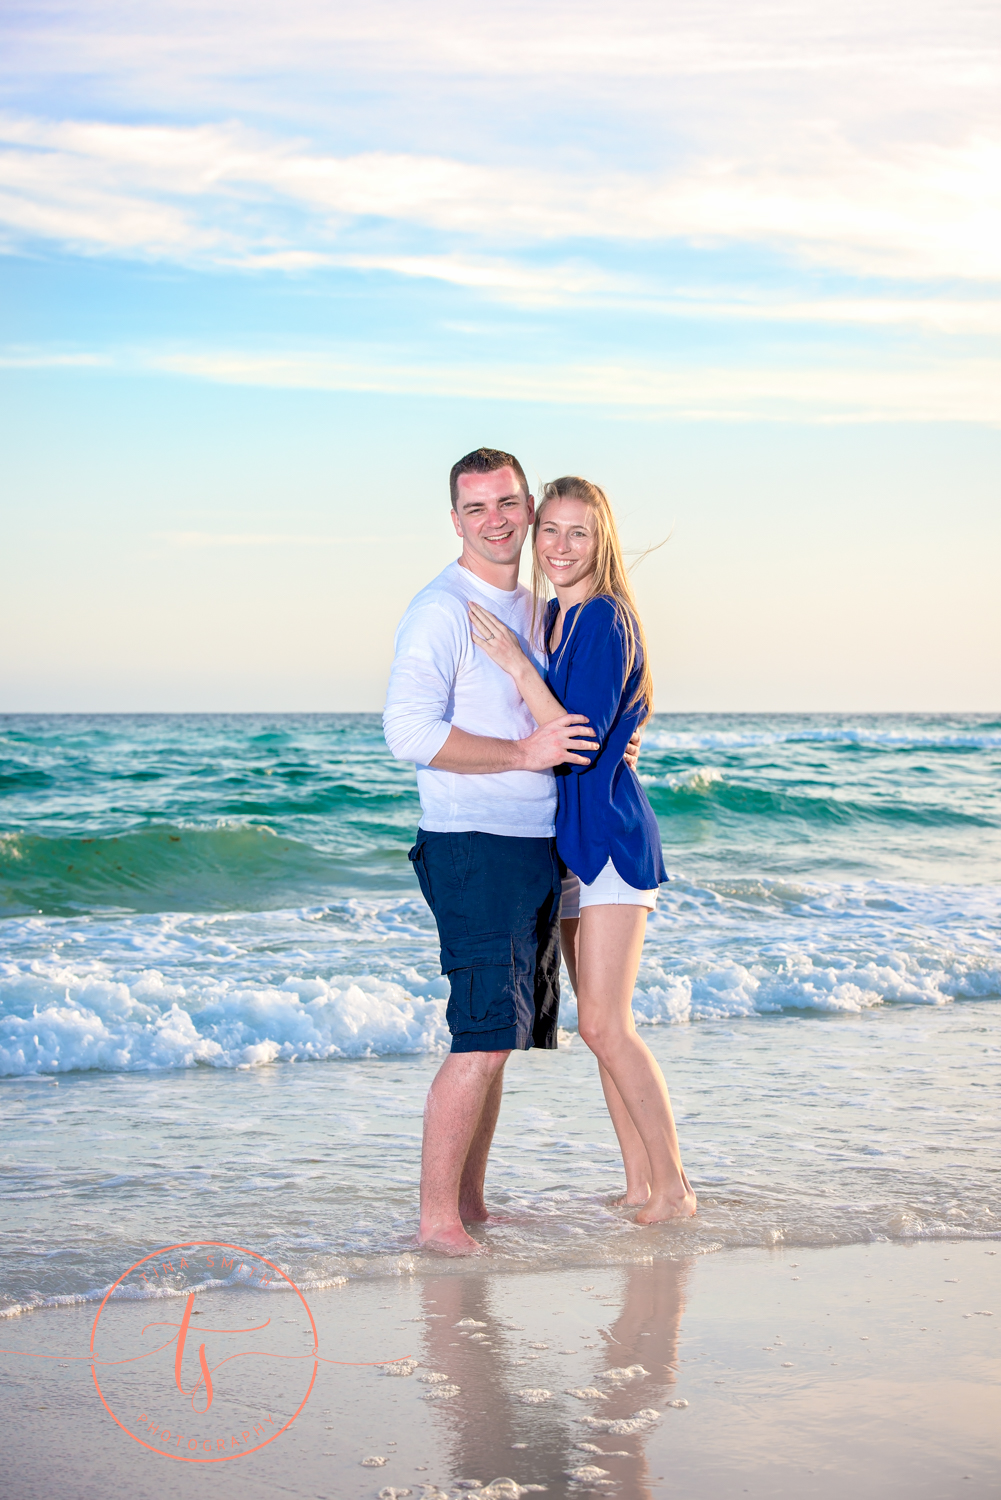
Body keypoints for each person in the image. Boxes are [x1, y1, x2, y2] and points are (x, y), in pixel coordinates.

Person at [383, 447, 602, 1255]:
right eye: (476, 510)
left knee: (499, 1041)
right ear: (455, 520)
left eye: (508, 503)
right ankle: (437, 1221)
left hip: (529, 848)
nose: (497, 521)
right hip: (473, 845)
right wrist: (520, 756)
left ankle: (470, 1207)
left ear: (528, 504)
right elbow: (405, 732)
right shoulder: (442, 608)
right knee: (478, 1040)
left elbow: (555, 716)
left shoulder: (527, 605)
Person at [467, 475, 697, 1223]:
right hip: (571, 847)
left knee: (605, 1024)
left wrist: (513, 666)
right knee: (599, 1026)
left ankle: (674, 1190)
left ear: (601, 543)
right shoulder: (559, 621)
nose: (561, 547)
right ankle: (639, 1186)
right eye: (551, 531)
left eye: (579, 534)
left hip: (609, 845)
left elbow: (579, 738)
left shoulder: (600, 618)